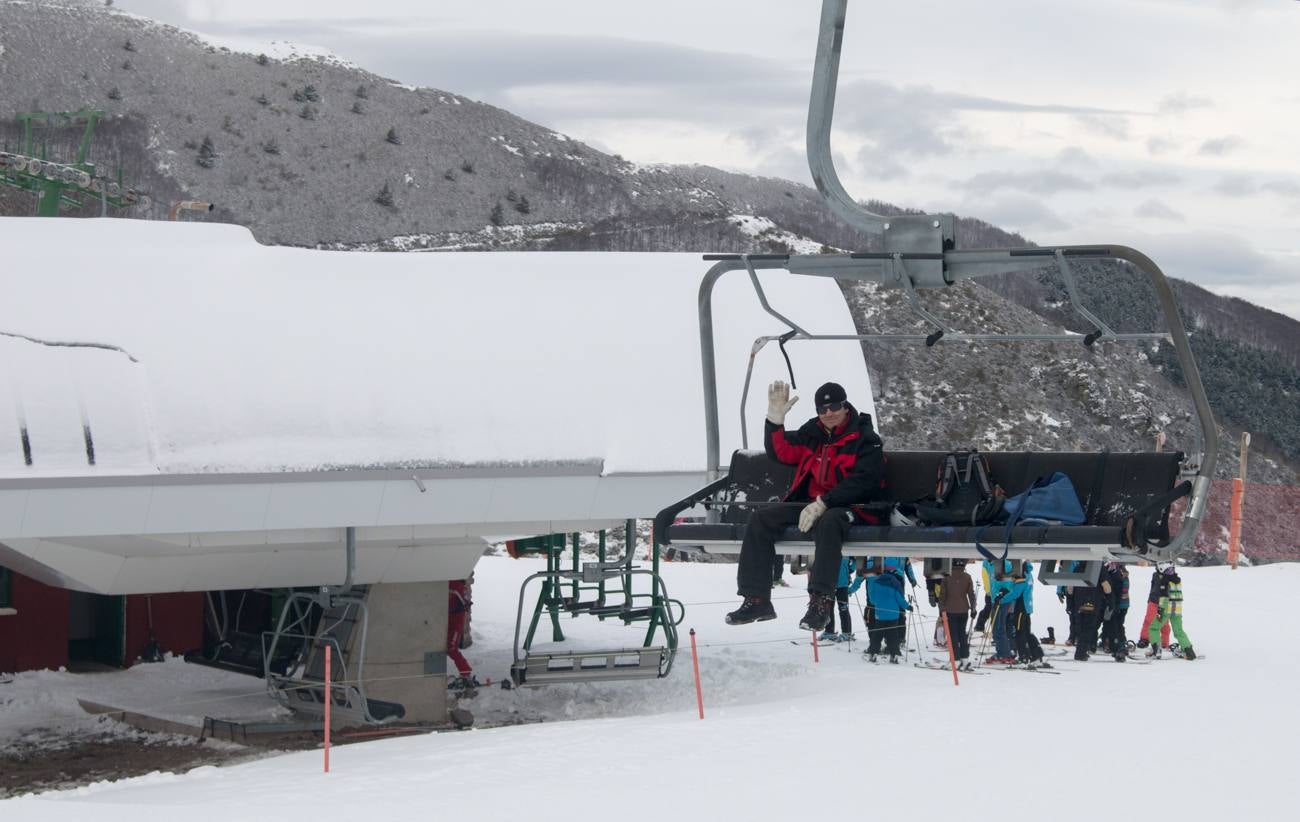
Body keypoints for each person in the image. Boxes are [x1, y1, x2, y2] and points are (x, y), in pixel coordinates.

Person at [726, 380, 886, 631]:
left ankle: (820, 602)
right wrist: (774, 422)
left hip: (855, 507)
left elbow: (866, 481)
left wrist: (826, 501)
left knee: (829, 521)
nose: (828, 413)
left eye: (834, 407)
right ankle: (756, 598)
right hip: (813, 504)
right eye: (822, 410)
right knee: (761, 519)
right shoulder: (813, 434)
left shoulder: (865, 439)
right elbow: (783, 452)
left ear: (845, 407)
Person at [1145, 562, 1195, 660]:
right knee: (1178, 631)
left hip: (1166, 609)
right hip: (1177, 610)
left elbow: (1163, 596)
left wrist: (1159, 610)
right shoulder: (1177, 580)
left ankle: (1157, 650)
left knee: (1153, 628)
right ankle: (1189, 650)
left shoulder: (1164, 580)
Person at [865, 568, 911, 663]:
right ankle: (894, 655)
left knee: (877, 634)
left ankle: (873, 653)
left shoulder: (876, 583)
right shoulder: (895, 583)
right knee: (892, 635)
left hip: (880, 614)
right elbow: (900, 599)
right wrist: (908, 607)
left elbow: (872, 599)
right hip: (893, 615)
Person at [939, 558, 977, 671]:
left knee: (953, 636)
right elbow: (971, 594)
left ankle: (954, 660)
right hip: (964, 610)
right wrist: (973, 609)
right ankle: (964, 659)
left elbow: (942, 596)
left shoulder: (946, 578)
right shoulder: (967, 577)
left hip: (950, 610)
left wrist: (941, 610)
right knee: (962, 635)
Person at [447, 578, 479, 691]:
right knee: (448, 648)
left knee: (451, 648)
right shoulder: (454, 583)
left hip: (455, 622)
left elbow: (463, 602)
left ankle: (466, 672)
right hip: (449, 620)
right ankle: (465, 672)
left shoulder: (456, 585)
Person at [983, 559, 1017, 664]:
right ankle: (1000, 652)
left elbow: (1009, 581)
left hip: (1003, 600)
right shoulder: (988, 564)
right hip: (994, 599)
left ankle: (1005, 654)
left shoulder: (1005, 564)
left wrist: (1003, 592)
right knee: (995, 628)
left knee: (999, 628)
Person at [818, 557, 857, 642]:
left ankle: (847, 633)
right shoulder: (828, 548)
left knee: (843, 609)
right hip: (829, 584)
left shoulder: (846, 548)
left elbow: (855, 560)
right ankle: (829, 631)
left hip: (842, 585)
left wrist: (849, 570)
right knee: (828, 608)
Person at [1099, 562, 1130, 660]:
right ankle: (1115, 643)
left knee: (1114, 625)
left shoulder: (1117, 575)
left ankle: (1115, 644)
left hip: (1118, 605)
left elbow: (1117, 591)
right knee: (1116, 625)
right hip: (1121, 604)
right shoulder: (1121, 574)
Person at [1137, 565, 1172, 650]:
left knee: (1164, 624)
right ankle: (1144, 639)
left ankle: (1164, 643)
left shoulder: (1170, 577)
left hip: (1164, 603)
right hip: (1153, 602)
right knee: (1148, 620)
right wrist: (1149, 599)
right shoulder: (1155, 575)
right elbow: (1152, 587)